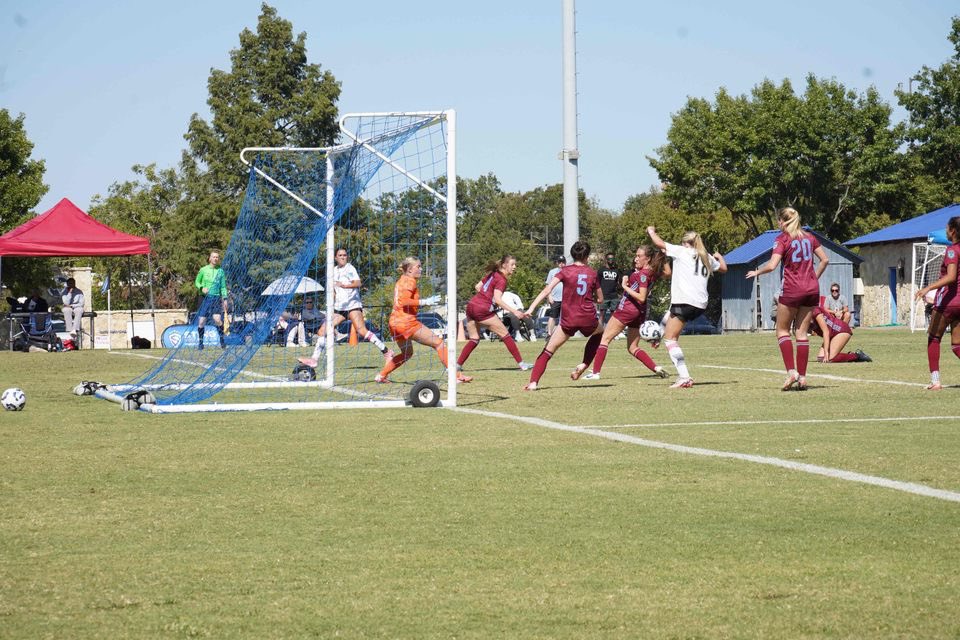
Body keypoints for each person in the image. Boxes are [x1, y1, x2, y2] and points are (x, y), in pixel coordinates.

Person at [746, 207, 829, 391]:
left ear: (783, 222)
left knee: (782, 331)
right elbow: (825, 260)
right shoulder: (810, 237)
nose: (778, 224)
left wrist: (757, 271)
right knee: (801, 333)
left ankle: (791, 372)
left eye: (779, 221)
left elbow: (773, 265)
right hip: (811, 289)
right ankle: (803, 377)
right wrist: (814, 277)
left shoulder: (782, 239)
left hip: (792, 289)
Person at [575, 245, 672, 380]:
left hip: (627, 309)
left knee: (604, 339)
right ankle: (656, 368)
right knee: (632, 347)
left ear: (648, 258)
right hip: (639, 312)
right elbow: (668, 273)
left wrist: (625, 287)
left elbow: (642, 297)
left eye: (639, 256)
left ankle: (595, 373)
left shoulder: (643, 274)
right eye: (636, 255)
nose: (635, 258)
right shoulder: (652, 271)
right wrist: (664, 256)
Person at [648, 226, 728, 389]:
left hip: (684, 301)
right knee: (669, 321)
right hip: (699, 304)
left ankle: (684, 377)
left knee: (671, 339)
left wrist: (651, 231)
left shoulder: (682, 251)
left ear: (685, 242)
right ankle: (658, 336)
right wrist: (720, 257)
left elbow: (660, 244)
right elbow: (724, 269)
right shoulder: (706, 256)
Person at [522, 240, 603, 391]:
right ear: (587, 256)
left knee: (548, 350)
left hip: (569, 319)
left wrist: (531, 308)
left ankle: (533, 383)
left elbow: (547, 290)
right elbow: (600, 299)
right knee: (600, 332)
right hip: (587, 317)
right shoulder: (592, 273)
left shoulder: (565, 271)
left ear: (573, 255)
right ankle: (584, 364)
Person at [376, 257, 471, 384]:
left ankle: (381, 375)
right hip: (406, 322)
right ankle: (455, 375)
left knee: (406, 353)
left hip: (394, 323)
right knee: (439, 343)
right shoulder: (410, 281)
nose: (421, 269)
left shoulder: (401, 280)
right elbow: (404, 302)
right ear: (410, 270)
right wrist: (425, 301)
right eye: (418, 267)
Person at [299, 248, 392, 368]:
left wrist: (345, 285)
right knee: (323, 331)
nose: (343, 257)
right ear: (335, 258)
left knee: (361, 331)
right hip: (340, 308)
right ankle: (314, 359)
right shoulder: (333, 271)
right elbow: (333, 290)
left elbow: (358, 283)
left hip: (353, 306)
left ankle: (386, 351)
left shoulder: (350, 268)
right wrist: (331, 303)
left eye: (345, 255)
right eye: (340, 255)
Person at [458, 255, 532, 373]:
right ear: (504, 265)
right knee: (506, 335)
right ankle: (522, 365)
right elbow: (498, 299)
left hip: (471, 306)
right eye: (512, 264)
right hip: (482, 309)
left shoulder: (492, 274)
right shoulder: (502, 279)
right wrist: (515, 311)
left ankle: (457, 365)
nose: (514, 267)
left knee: (474, 338)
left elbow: (478, 287)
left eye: (515, 265)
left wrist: (487, 297)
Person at [915, 215, 960, 390]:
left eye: (947, 228)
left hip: (948, 302)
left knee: (933, 338)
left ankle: (935, 381)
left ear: (953, 231)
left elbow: (951, 277)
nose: (946, 232)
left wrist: (928, 288)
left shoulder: (952, 250)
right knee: (957, 345)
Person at [194, 251, 228, 350]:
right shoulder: (203, 270)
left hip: (216, 298)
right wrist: (201, 288)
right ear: (210, 258)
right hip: (204, 298)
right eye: (213, 257)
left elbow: (223, 287)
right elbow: (197, 282)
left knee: (217, 319)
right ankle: (201, 343)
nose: (215, 259)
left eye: (217, 257)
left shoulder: (220, 271)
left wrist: (225, 298)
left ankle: (222, 341)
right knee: (201, 321)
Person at [598, 252, 622, 326]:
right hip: (604, 295)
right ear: (606, 259)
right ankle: (599, 332)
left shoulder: (617, 270)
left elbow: (620, 283)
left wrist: (619, 293)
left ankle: (611, 331)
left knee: (614, 316)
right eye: (609, 258)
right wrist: (597, 295)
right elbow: (597, 283)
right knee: (602, 315)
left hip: (614, 296)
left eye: (612, 258)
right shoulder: (601, 270)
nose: (611, 260)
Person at [544, 255, 565, 336]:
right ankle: (549, 333)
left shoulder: (568, 271)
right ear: (557, 263)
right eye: (560, 262)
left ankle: (560, 334)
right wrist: (549, 296)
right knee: (552, 317)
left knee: (563, 318)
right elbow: (547, 285)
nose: (561, 264)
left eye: (563, 262)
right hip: (555, 299)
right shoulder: (552, 272)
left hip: (565, 299)